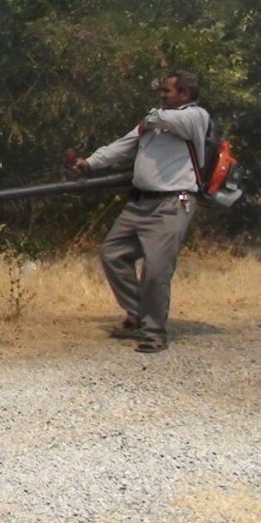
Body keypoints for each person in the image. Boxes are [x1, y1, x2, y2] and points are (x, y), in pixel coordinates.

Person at [73, 70, 209, 353]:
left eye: (167, 91)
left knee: (156, 272)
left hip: (171, 204)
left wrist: (151, 117)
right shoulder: (156, 121)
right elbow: (122, 146)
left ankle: (154, 332)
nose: (161, 95)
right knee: (112, 253)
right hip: (141, 203)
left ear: (184, 94)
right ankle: (138, 314)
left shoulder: (195, 117)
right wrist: (90, 163)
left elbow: (166, 118)